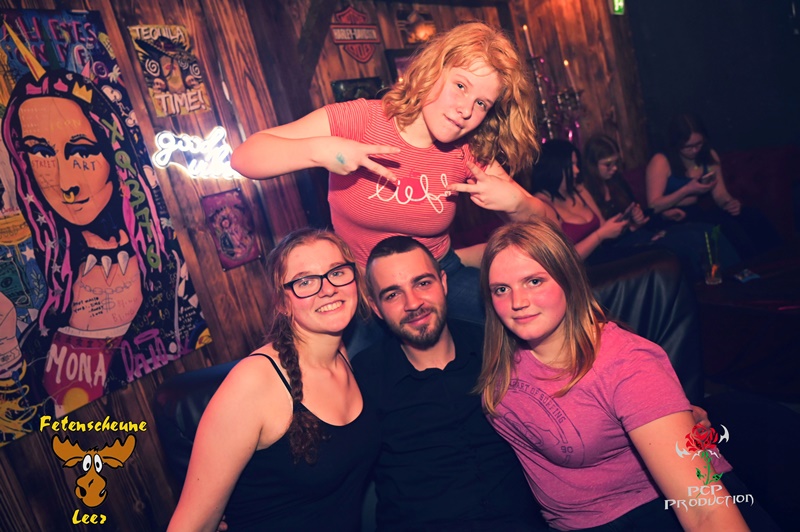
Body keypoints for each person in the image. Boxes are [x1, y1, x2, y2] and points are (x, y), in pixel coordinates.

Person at [231, 21, 545, 325]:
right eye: (460, 86)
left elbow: (548, 226)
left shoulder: (467, 150)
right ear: (433, 70)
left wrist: (518, 204)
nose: (466, 110)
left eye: (481, 103)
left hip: (440, 278)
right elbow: (245, 157)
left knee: (514, 325)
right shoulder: (361, 120)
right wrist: (320, 150)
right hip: (364, 291)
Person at [476, 219, 749, 531]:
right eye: (501, 289)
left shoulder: (627, 364)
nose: (517, 302)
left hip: (646, 513)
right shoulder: (501, 357)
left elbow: (704, 511)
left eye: (534, 281)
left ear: (568, 279)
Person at [0, 68, 206, 422]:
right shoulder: (53, 300)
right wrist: (8, 351)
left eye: (82, 151)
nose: (66, 182)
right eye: (41, 153)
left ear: (115, 154)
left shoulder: (171, 277)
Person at [169, 229, 379, 531]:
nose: (328, 289)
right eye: (305, 281)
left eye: (336, 272)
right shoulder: (253, 382)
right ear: (282, 302)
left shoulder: (343, 354)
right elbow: (192, 525)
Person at [353, 236, 546, 531]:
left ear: (443, 283)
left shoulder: (496, 349)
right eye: (392, 294)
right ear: (376, 308)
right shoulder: (361, 380)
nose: (413, 303)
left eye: (423, 283)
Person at [582, 133, 739, 279]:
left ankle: (735, 276)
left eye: (616, 163)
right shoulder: (586, 191)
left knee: (705, 232)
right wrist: (636, 227)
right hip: (621, 244)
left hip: (640, 232)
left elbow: (637, 213)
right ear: (592, 165)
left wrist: (653, 217)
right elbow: (605, 235)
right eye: (608, 165)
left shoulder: (617, 182)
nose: (614, 168)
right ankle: (706, 287)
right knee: (685, 246)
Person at [645, 112, 781, 260]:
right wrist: (686, 190)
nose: (694, 150)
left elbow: (720, 194)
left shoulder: (708, 155)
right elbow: (653, 206)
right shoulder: (661, 161)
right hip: (672, 216)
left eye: (698, 144)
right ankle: (745, 267)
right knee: (727, 228)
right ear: (676, 143)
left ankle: (776, 262)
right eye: (688, 147)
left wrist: (729, 203)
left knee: (752, 216)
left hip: (697, 212)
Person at [528, 139, 632, 265]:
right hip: (584, 272)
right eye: (571, 165)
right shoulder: (542, 205)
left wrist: (625, 223)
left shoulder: (579, 190)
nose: (577, 170)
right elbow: (564, 259)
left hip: (606, 259)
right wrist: (599, 235)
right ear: (555, 168)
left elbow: (603, 226)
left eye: (576, 164)